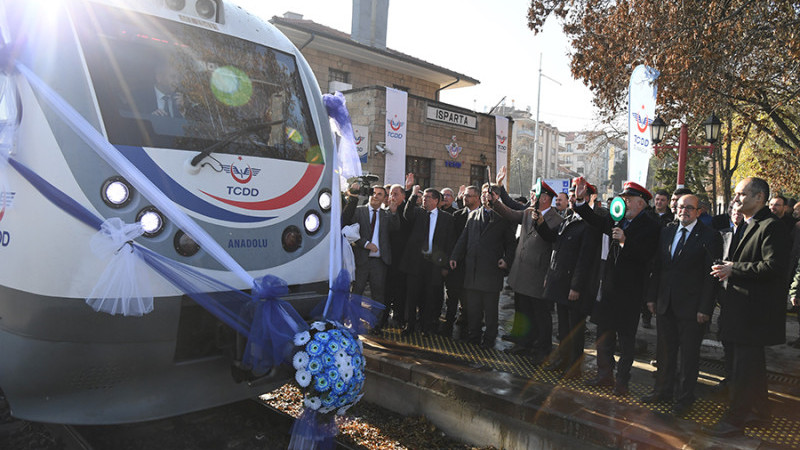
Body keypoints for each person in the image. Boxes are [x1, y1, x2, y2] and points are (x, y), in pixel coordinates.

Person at [706, 177, 790, 437]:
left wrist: (734, 269)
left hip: (753, 314)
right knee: (753, 368)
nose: (736, 199)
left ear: (759, 198)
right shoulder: (750, 224)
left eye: (742, 194)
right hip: (742, 310)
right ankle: (761, 414)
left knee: (743, 371)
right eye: (736, 194)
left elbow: (774, 267)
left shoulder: (771, 227)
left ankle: (734, 420)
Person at [574, 180, 660, 396]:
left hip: (630, 293)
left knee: (626, 339)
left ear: (641, 203)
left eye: (629, 200)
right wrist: (580, 201)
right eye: (624, 199)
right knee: (603, 334)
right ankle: (604, 375)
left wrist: (625, 242)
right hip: (609, 289)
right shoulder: (617, 219)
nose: (625, 203)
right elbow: (595, 221)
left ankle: (622, 381)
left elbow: (646, 255)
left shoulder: (651, 225)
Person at [641, 194, 722, 415]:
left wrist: (705, 308)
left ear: (698, 211)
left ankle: (685, 398)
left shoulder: (710, 236)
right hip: (665, 303)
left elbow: (710, 277)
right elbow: (658, 267)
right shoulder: (667, 231)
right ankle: (662, 391)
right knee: (665, 351)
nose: (683, 211)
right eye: (680, 207)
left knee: (688, 356)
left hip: (692, 308)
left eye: (689, 208)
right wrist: (651, 297)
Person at [491, 180, 563, 360]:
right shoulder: (528, 212)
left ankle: (543, 347)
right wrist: (495, 201)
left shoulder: (557, 219)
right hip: (521, 271)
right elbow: (511, 213)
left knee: (540, 314)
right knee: (523, 311)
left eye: (535, 193)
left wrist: (549, 275)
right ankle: (523, 343)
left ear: (545, 198)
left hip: (538, 274)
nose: (531, 196)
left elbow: (555, 249)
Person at [535, 183, 601, 376]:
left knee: (575, 330)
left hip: (574, 286)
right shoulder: (568, 219)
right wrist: (539, 222)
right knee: (563, 328)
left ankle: (574, 366)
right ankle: (562, 360)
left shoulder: (589, 224)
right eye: (571, 196)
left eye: (575, 196)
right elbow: (554, 241)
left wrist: (576, 286)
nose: (572, 199)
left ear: (586, 198)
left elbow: (584, 259)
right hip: (560, 282)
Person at [450, 184, 516, 349]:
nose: (487, 196)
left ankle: (489, 339)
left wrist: (506, 260)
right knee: (473, 309)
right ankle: (474, 336)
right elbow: (463, 238)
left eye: (490, 194)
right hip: (472, 270)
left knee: (490, 310)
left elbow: (510, 244)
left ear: (496, 197)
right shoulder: (473, 215)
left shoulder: (502, 218)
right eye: (485, 193)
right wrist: (455, 256)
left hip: (491, 271)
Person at [342, 184, 400, 332]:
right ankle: (352, 324)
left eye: (379, 194)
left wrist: (394, 213)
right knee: (356, 293)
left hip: (379, 262)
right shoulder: (359, 211)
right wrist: (366, 244)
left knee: (378, 295)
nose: (375, 196)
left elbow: (395, 229)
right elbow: (349, 233)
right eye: (373, 193)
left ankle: (375, 325)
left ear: (384, 198)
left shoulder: (386, 214)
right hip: (361, 260)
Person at [401, 187, 455, 336]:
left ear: (436, 200)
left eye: (428, 197)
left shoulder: (447, 218)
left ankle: (426, 326)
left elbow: (449, 242)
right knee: (412, 296)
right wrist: (412, 195)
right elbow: (407, 214)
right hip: (416, 263)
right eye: (423, 197)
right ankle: (410, 325)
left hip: (434, 264)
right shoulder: (418, 213)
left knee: (429, 297)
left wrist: (445, 265)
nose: (424, 199)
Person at [440, 186, 482, 339]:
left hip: (475, 267)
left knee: (472, 300)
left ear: (477, 198)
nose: (465, 198)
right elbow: (450, 240)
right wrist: (448, 262)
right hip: (456, 265)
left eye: (469, 196)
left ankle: (472, 329)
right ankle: (448, 326)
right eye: (464, 196)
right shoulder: (457, 216)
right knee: (452, 297)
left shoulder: (485, 216)